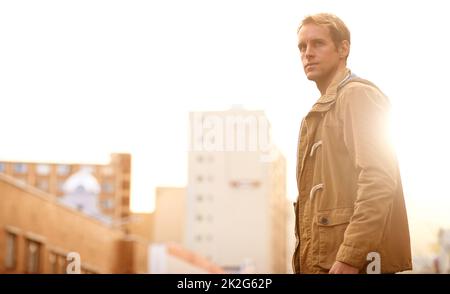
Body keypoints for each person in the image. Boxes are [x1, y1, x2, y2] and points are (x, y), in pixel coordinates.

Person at [292, 13, 412, 274]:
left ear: (343, 48)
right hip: (327, 263)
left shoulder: (357, 96)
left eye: (317, 44)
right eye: (302, 47)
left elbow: (378, 179)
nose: (307, 53)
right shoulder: (322, 110)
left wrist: (349, 257)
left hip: (352, 266)